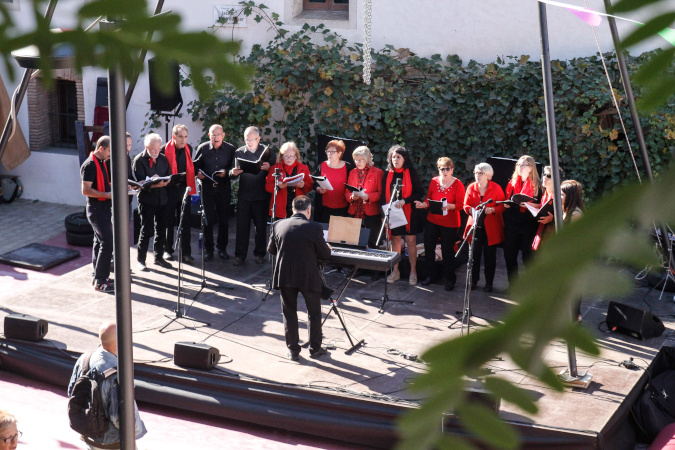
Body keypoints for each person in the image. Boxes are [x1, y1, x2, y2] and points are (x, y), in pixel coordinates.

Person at [267, 196, 331, 361]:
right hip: (307, 276)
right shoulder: (315, 227)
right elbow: (325, 254)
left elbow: (271, 250)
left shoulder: (277, 225)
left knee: (289, 312)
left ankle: (293, 350)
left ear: (292, 209)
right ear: (309, 210)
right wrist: (327, 248)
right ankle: (315, 349)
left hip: (285, 275)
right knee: (314, 313)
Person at [68, 322, 147, 449]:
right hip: (112, 443)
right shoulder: (117, 374)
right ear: (119, 342)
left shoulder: (84, 359)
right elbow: (119, 417)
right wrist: (136, 431)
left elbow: (72, 392)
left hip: (88, 436)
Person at [415, 157, 465, 291]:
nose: (445, 171)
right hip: (433, 219)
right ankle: (431, 275)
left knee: (447, 251)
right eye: (442, 169)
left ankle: (450, 279)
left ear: (452, 169)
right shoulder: (434, 181)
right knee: (429, 247)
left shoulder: (458, 184)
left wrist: (449, 206)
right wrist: (423, 204)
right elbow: (429, 199)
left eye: (448, 169)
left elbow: (461, 205)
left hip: (450, 223)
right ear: (439, 169)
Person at [230, 126, 275, 266]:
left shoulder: (267, 152)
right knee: (242, 227)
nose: (249, 142)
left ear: (259, 139)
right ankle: (240, 256)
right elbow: (231, 173)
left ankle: (260, 254)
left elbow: (275, 171)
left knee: (261, 227)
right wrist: (233, 173)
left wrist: (269, 169)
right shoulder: (239, 152)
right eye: (246, 140)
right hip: (244, 194)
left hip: (261, 195)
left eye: (252, 139)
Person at [381, 145, 424, 285]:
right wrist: (383, 215)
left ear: (404, 158)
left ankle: (413, 271)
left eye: (398, 157)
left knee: (411, 241)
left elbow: (419, 193)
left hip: (410, 212)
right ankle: (395, 271)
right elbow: (383, 195)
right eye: (393, 157)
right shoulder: (387, 174)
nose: (395, 159)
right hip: (393, 213)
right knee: (395, 241)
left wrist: (405, 200)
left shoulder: (411, 173)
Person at [193, 124, 236, 261]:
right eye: (213, 135)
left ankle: (222, 249)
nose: (216, 137)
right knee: (207, 220)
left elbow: (234, 169)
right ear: (209, 136)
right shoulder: (203, 148)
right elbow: (195, 166)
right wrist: (198, 174)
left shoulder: (230, 149)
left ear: (223, 135)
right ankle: (208, 249)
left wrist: (227, 173)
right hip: (207, 188)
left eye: (218, 135)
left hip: (223, 187)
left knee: (224, 220)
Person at [463, 162, 505, 293]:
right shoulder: (471, 187)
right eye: (476, 172)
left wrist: (492, 209)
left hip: (491, 227)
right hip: (475, 226)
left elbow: (503, 206)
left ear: (488, 176)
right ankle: (473, 281)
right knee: (474, 256)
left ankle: (489, 283)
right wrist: (470, 210)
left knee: (490, 256)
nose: (477, 175)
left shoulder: (496, 188)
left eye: (480, 173)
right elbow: (465, 205)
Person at [133, 133, 172, 271]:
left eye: (158, 149)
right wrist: (153, 183)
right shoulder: (139, 160)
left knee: (161, 229)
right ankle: (141, 260)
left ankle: (158, 257)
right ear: (146, 146)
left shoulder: (162, 158)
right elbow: (140, 184)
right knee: (146, 230)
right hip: (147, 200)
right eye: (153, 149)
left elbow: (168, 174)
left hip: (162, 198)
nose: (156, 152)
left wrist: (164, 181)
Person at [81, 136, 114, 292]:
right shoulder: (90, 165)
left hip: (103, 208)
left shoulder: (101, 162)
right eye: (109, 151)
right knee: (107, 242)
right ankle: (100, 281)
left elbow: (104, 183)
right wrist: (107, 195)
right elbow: (86, 190)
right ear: (101, 149)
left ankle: (98, 276)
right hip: (96, 209)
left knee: (99, 242)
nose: (110, 154)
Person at [502, 155, 541, 285]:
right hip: (512, 224)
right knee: (509, 255)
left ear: (531, 168)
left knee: (528, 258)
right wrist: (506, 204)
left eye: (523, 165)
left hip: (528, 225)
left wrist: (528, 205)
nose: (520, 167)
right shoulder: (512, 183)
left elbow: (542, 205)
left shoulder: (538, 185)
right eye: (518, 165)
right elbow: (508, 200)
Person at [160, 124, 196, 264]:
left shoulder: (189, 149)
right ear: (173, 137)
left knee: (185, 221)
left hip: (184, 188)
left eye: (185, 137)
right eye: (180, 137)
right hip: (169, 189)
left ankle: (186, 253)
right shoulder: (164, 149)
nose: (183, 140)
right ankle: (167, 250)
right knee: (168, 221)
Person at [265, 142, 313, 220]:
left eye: (291, 156)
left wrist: (303, 185)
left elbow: (310, 186)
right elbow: (267, 186)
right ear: (282, 157)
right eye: (286, 156)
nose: (289, 159)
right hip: (281, 207)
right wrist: (277, 186)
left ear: (296, 157)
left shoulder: (303, 168)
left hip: (299, 206)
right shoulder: (275, 168)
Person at [314, 139, 351, 223]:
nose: (329, 154)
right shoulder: (322, 165)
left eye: (332, 152)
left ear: (339, 153)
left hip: (342, 208)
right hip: (324, 208)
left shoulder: (347, 167)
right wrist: (318, 189)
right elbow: (314, 183)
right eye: (328, 151)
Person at [532, 165, 556, 251]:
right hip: (542, 229)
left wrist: (552, 219)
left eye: (549, 176)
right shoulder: (545, 192)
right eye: (544, 174)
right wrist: (530, 205)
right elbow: (543, 206)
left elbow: (566, 215)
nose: (545, 177)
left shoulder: (559, 196)